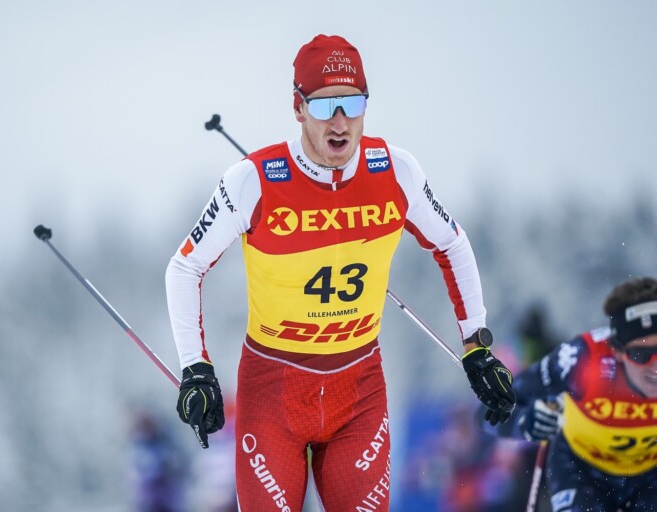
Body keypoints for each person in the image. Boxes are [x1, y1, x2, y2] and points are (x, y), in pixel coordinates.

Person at [165, 34, 515, 511]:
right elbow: (185, 266)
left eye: (352, 103)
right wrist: (195, 367)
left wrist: (477, 345)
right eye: (324, 105)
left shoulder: (395, 171)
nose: (340, 121)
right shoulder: (253, 179)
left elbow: (452, 243)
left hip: (358, 389)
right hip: (273, 390)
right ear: (298, 107)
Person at [482, 276, 657, 512]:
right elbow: (486, 413)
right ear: (616, 351)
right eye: (640, 355)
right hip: (582, 469)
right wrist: (526, 422)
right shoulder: (581, 360)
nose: (655, 366)